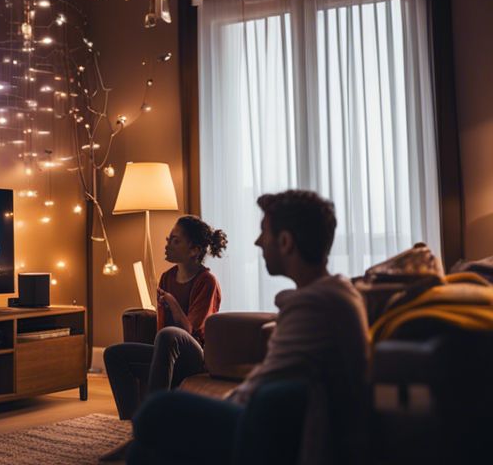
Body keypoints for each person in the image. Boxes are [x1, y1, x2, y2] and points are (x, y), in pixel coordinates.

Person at [126, 190, 370, 464]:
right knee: (146, 448)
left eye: (264, 232)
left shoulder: (315, 305)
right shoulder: (332, 293)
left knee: (157, 411)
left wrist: (222, 407)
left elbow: (268, 383)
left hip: (274, 428)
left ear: (286, 242)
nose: (258, 242)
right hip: (271, 415)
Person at [103, 215, 228, 421]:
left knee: (171, 335)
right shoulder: (167, 277)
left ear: (194, 250)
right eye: (169, 239)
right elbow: (161, 330)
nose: (168, 244)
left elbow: (189, 330)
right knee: (114, 354)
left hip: (195, 356)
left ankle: (153, 421)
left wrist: (172, 303)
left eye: (176, 240)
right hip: (166, 350)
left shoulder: (207, 281)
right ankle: (130, 424)